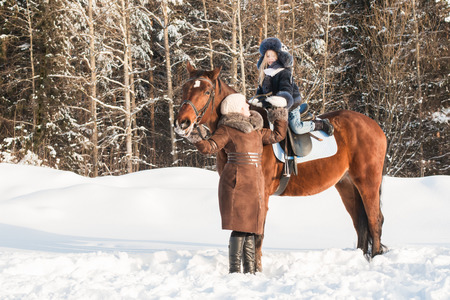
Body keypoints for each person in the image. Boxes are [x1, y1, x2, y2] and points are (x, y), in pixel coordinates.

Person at [186, 93, 288, 274]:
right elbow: (209, 148)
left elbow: (278, 135)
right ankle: (235, 271)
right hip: (236, 183)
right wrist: (194, 135)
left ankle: (249, 271)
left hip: (254, 184)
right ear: (237, 109)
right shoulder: (227, 130)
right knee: (240, 229)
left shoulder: (256, 130)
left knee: (251, 229)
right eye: (245, 105)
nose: (249, 107)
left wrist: (279, 113)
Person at [249, 37, 334, 136]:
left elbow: (286, 89)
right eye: (268, 56)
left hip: (291, 106)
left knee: (296, 127)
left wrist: (282, 99)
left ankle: (321, 124)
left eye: (273, 56)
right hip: (274, 108)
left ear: (278, 56)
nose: (270, 59)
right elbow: (261, 92)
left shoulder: (284, 72)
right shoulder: (265, 74)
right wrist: (257, 101)